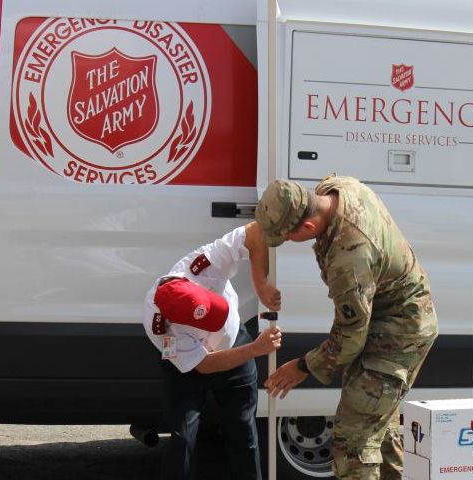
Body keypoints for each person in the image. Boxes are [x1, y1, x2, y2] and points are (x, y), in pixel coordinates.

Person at [255, 175, 438, 479]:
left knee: (355, 438)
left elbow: (351, 335)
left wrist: (302, 366)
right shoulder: (340, 187)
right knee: (378, 423)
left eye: (288, 237)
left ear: (308, 227)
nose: (288, 243)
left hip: (400, 332)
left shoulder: (349, 258)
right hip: (396, 317)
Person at [142, 221, 282, 480]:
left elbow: (256, 231)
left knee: (243, 431)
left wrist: (260, 283)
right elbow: (204, 365)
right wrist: (255, 349)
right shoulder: (160, 327)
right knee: (183, 437)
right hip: (190, 366)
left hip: (235, 344)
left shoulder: (205, 265)